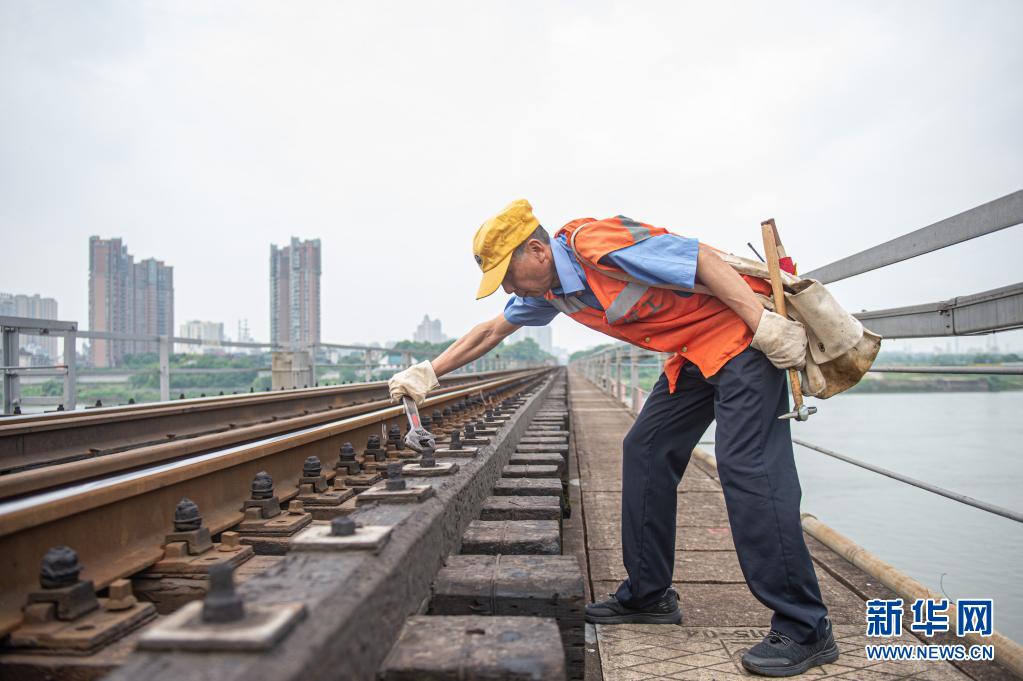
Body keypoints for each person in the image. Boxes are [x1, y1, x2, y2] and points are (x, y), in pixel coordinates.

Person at [388, 199, 839, 677]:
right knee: (645, 449)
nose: (508, 287)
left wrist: (765, 324)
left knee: (749, 470)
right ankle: (649, 596)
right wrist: (428, 373)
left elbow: (702, 258)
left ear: (538, 251)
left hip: (743, 341)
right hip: (691, 355)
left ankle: (805, 627)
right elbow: (491, 331)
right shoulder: (550, 292)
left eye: (508, 273)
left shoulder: (593, 243)